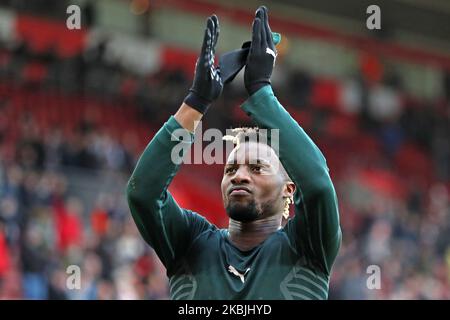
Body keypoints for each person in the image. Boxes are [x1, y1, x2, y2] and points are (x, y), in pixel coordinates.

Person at [126, 6, 341, 300]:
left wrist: (261, 92)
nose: (239, 175)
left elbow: (317, 184)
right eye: (230, 170)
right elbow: (143, 193)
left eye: (257, 168)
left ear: (288, 190)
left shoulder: (306, 246)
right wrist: (196, 102)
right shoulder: (191, 243)